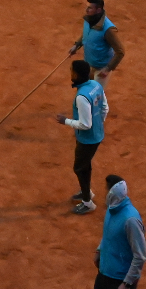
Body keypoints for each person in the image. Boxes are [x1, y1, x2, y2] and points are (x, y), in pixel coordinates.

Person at [56, 59, 107, 213]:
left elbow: (85, 124)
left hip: (88, 139)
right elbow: (105, 107)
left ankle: (87, 203)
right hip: (96, 134)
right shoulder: (96, 85)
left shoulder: (82, 97)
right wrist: (99, 122)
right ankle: (87, 192)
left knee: (79, 168)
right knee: (85, 165)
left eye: (72, 71)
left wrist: (66, 121)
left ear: (77, 75)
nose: (70, 73)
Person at [92, 175, 146, 289]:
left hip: (119, 282)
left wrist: (127, 284)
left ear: (112, 193)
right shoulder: (111, 210)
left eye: (107, 190)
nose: (104, 193)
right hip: (104, 274)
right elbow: (109, 235)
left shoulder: (131, 220)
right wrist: (99, 250)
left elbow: (140, 256)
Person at [69, 0, 125, 84]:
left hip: (101, 70)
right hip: (88, 65)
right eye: (87, 7)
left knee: (96, 96)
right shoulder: (88, 20)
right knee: (86, 90)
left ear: (98, 10)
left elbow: (120, 51)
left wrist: (107, 68)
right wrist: (77, 45)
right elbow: (86, 35)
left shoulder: (108, 30)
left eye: (90, 8)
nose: (86, 10)